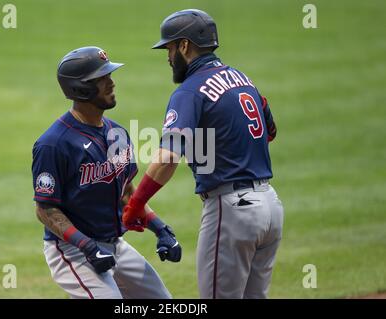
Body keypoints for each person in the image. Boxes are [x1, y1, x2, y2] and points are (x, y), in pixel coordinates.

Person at [123, 9, 284, 299]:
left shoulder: (190, 91)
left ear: (184, 46)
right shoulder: (243, 78)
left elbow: (168, 157)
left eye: (170, 48)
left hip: (233, 211)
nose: (168, 57)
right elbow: (269, 132)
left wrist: (135, 204)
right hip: (270, 207)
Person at [31, 46, 181, 299]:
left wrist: (161, 229)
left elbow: (126, 193)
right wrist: (87, 247)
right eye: (102, 79)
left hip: (113, 245)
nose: (112, 83)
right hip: (71, 250)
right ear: (81, 88)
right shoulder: (53, 144)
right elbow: (45, 209)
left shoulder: (117, 133)